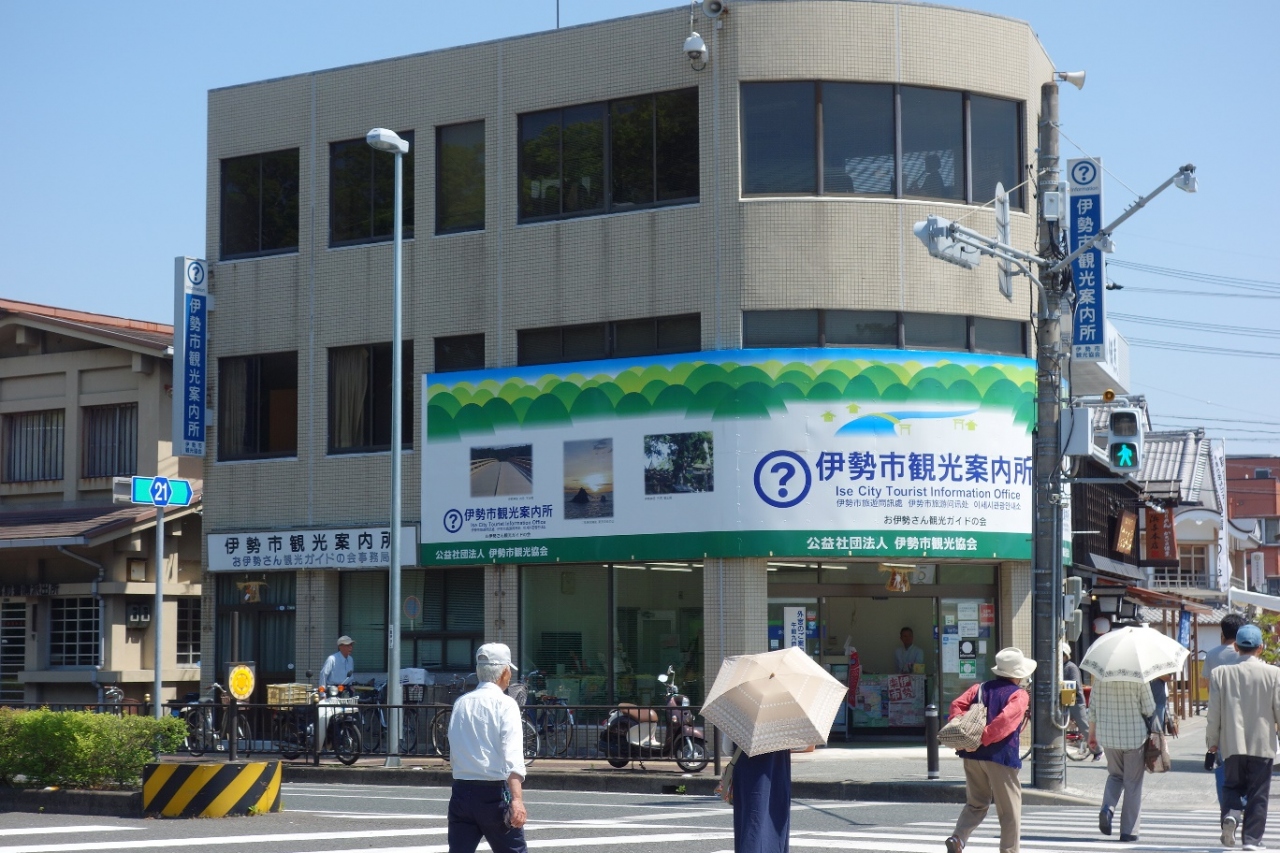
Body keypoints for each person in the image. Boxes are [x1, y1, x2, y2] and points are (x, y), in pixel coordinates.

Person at [944, 647, 1036, 853]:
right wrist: (984, 737)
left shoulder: (979, 688)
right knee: (1009, 810)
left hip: (971, 754)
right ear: (1018, 674)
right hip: (1001, 757)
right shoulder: (1019, 695)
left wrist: (966, 733)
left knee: (976, 803)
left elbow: (956, 705)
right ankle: (1009, 851)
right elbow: (1005, 722)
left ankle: (958, 838)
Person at [447, 642, 528, 853]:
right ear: (504, 672)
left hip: (461, 791)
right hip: (493, 792)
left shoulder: (461, 703)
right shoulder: (506, 704)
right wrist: (517, 800)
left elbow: (454, 748)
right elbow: (512, 755)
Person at [1208, 623, 1280, 851]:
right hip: (1262, 744)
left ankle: (1231, 814)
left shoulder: (1220, 674)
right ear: (1261, 648)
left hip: (1232, 743)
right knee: (1258, 793)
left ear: (1236, 647)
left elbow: (1214, 713)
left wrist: (1212, 742)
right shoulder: (1273, 673)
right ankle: (1251, 840)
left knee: (1231, 786)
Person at [1089, 672, 1156, 843]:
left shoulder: (1100, 678)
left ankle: (1107, 808)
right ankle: (1129, 831)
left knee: (1115, 775)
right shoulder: (1139, 677)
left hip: (1109, 737)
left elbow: (1093, 709)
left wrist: (1092, 734)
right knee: (1132, 783)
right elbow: (1149, 708)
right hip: (1134, 737)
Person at [1204, 613, 1249, 811]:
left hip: (1221, 714)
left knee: (1222, 763)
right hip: (1245, 715)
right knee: (1246, 763)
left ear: (1222, 632)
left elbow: (1206, 685)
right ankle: (1243, 804)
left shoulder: (1212, 654)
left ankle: (1227, 809)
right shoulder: (1246, 654)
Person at [1061, 641, 1100, 760]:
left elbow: (1076, 685)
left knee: (1085, 727)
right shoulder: (1060, 667)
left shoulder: (1071, 667)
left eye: (1061, 654)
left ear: (1066, 655)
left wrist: (1062, 686)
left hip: (1076, 701)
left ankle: (1097, 750)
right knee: (1060, 726)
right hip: (1065, 700)